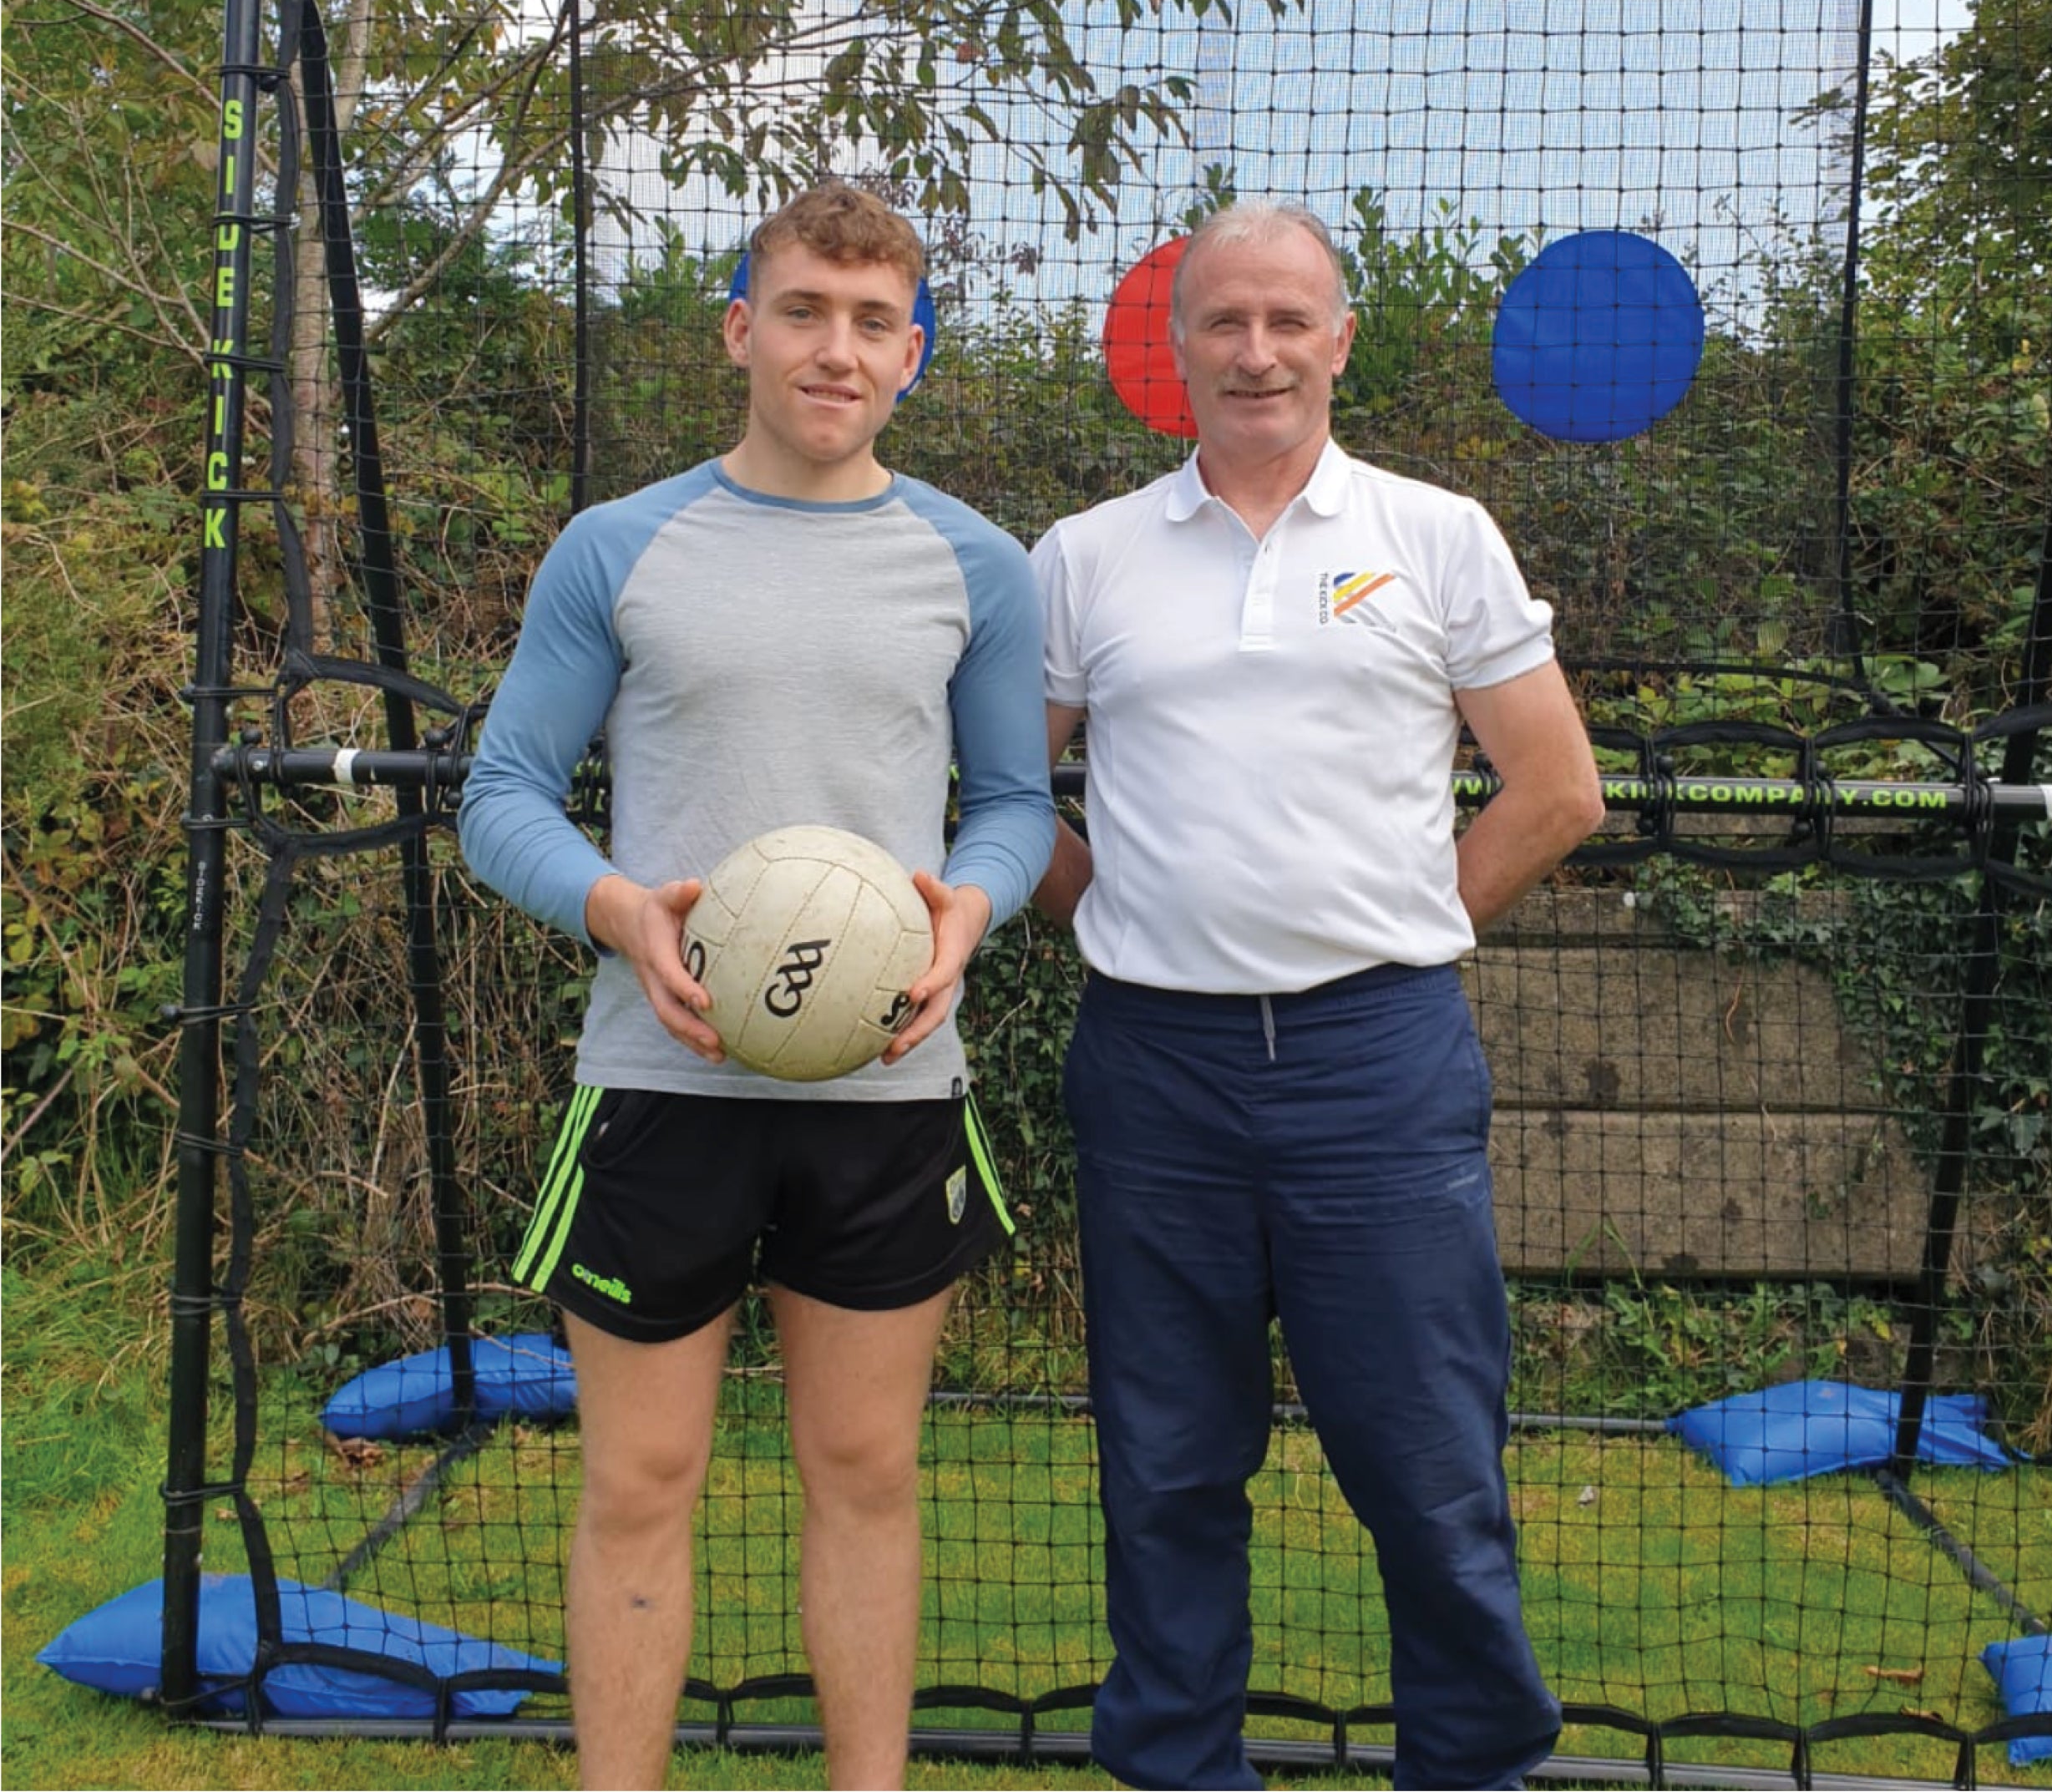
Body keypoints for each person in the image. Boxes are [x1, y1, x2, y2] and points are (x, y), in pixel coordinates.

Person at [459, 182, 1057, 1791]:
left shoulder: (977, 567)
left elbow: (1016, 803)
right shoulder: (622, 548)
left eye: (873, 323)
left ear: (913, 355)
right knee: (641, 1479)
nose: (835, 349)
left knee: (865, 1470)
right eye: (802, 311)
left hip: (888, 1086)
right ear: (741, 329)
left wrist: (967, 916)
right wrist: (612, 908)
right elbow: (500, 791)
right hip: (663, 1078)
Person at [1030, 201, 1606, 1792]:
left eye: (1291, 319)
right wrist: (1125, 909)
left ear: (1341, 339)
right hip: (1153, 1069)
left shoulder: (1437, 533)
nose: (1259, 350)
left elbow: (1556, 790)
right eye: (1227, 321)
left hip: (1378, 1061)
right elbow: (1014, 796)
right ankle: (1175, 1767)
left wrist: (1399, 928)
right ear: (1178, 344)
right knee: (1165, 1467)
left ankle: (1474, 1766)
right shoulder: (1085, 557)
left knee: (1427, 1468)